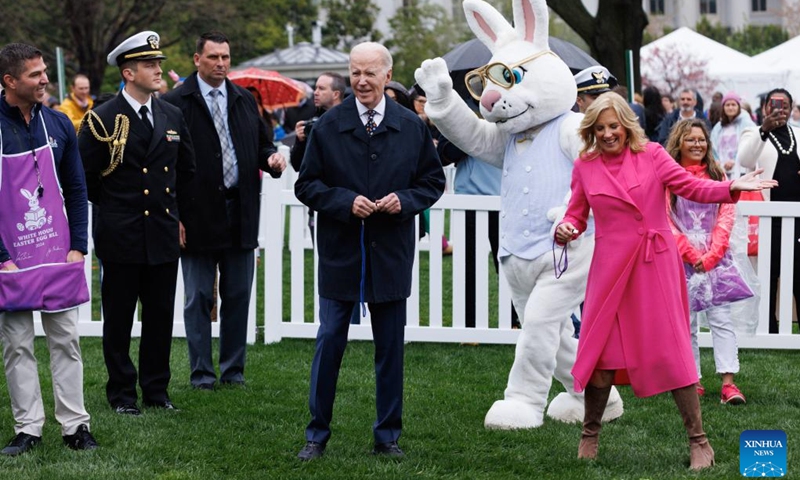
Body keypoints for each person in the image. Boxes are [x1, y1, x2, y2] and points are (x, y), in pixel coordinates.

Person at [554, 93, 775, 469]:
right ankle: (589, 435)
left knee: (674, 352)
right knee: (601, 355)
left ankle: (699, 441)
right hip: (609, 271)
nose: (608, 134)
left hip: (654, 265)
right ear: (591, 130)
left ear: (626, 125)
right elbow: (576, 213)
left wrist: (730, 189)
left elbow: (692, 187)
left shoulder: (653, 154)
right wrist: (566, 228)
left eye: (614, 126)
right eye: (600, 128)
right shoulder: (585, 166)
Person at [294, 42, 445, 461]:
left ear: (387, 75)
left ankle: (387, 436)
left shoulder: (410, 126)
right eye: (355, 72)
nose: (361, 81)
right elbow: (307, 184)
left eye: (370, 73)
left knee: (390, 348)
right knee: (329, 341)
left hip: (391, 252)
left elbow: (432, 182)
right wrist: (344, 202)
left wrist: (404, 200)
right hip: (341, 252)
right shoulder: (329, 125)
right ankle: (316, 434)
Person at [78, 31, 195, 415]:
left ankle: (156, 390)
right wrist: (117, 208)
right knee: (119, 318)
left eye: (158, 63)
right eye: (149, 65)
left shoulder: (171, 114)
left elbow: (185, 171)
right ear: (128, 73)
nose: (158, 70)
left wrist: (176, 215)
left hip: (161, 230)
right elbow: (86, 178)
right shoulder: (103, 118)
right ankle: (122, 393)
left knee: (160, 316)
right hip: (122, 232)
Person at [162, 31, 286, 390]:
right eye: (213, 57)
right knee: (199, 297)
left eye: (225, 57)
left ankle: (233, 371)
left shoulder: (243, 99)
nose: (220, 63)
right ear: (197, 59)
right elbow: (165, 165)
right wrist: (175, 216)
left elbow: (262, 145)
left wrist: (272, 159)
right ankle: (201, 374)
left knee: (238, 295)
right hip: (196, 214)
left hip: (240, 210)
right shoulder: (175, 103)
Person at [0, 43, 97, 456]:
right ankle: (28, 429)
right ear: (9, 81)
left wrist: (78, 246)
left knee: (66, 340)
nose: (45, 80)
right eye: (35, 74)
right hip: (11, 260)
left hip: (59, 254)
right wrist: (1, 257)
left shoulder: (58, 124)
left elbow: (76, 188)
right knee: (17, 344)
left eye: (44, 72)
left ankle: (75, 426)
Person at [665, 119, 747, 405]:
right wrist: (689, 253)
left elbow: (727, 213)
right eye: (691, 139)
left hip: (716, 258)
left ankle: (728, 383)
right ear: (679, 143)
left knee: (721, 319)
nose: (697, 144)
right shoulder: (669, 176)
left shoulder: (716, 173)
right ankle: (693, 380)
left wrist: (713, 253)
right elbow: (664, 218)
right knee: (686, 322)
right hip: (680, 259)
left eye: (701, 139)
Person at [738, 88, 800, 334]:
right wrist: (764, 129)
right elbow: (745, 160)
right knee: (768, 274)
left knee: (797, 273)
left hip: (796, 217)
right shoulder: (753, 133)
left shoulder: (797, 134)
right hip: (767, 217)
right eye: (774, 104)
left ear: (791, 108)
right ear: (765, 108)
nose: (779, 109)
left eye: (785, 105)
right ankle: (767, 329)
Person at [289, 72, 346, 173]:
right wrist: (300, 141)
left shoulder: (349, 120)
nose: (315, 92)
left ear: (336, 94)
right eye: (316, 88)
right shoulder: (314, 121)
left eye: (321, 88)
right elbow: (296, 165)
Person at [709, 91, 755, 179]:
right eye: (727, 105)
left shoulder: (747, 123)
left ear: (738, 107)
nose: (730, 108)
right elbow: (712, 145)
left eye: (733, 105)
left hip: (741, 171)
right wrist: (715, 160)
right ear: (723, 107)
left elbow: (749, 145)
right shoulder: (719, 126)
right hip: (721, 171)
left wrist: (734, 160)